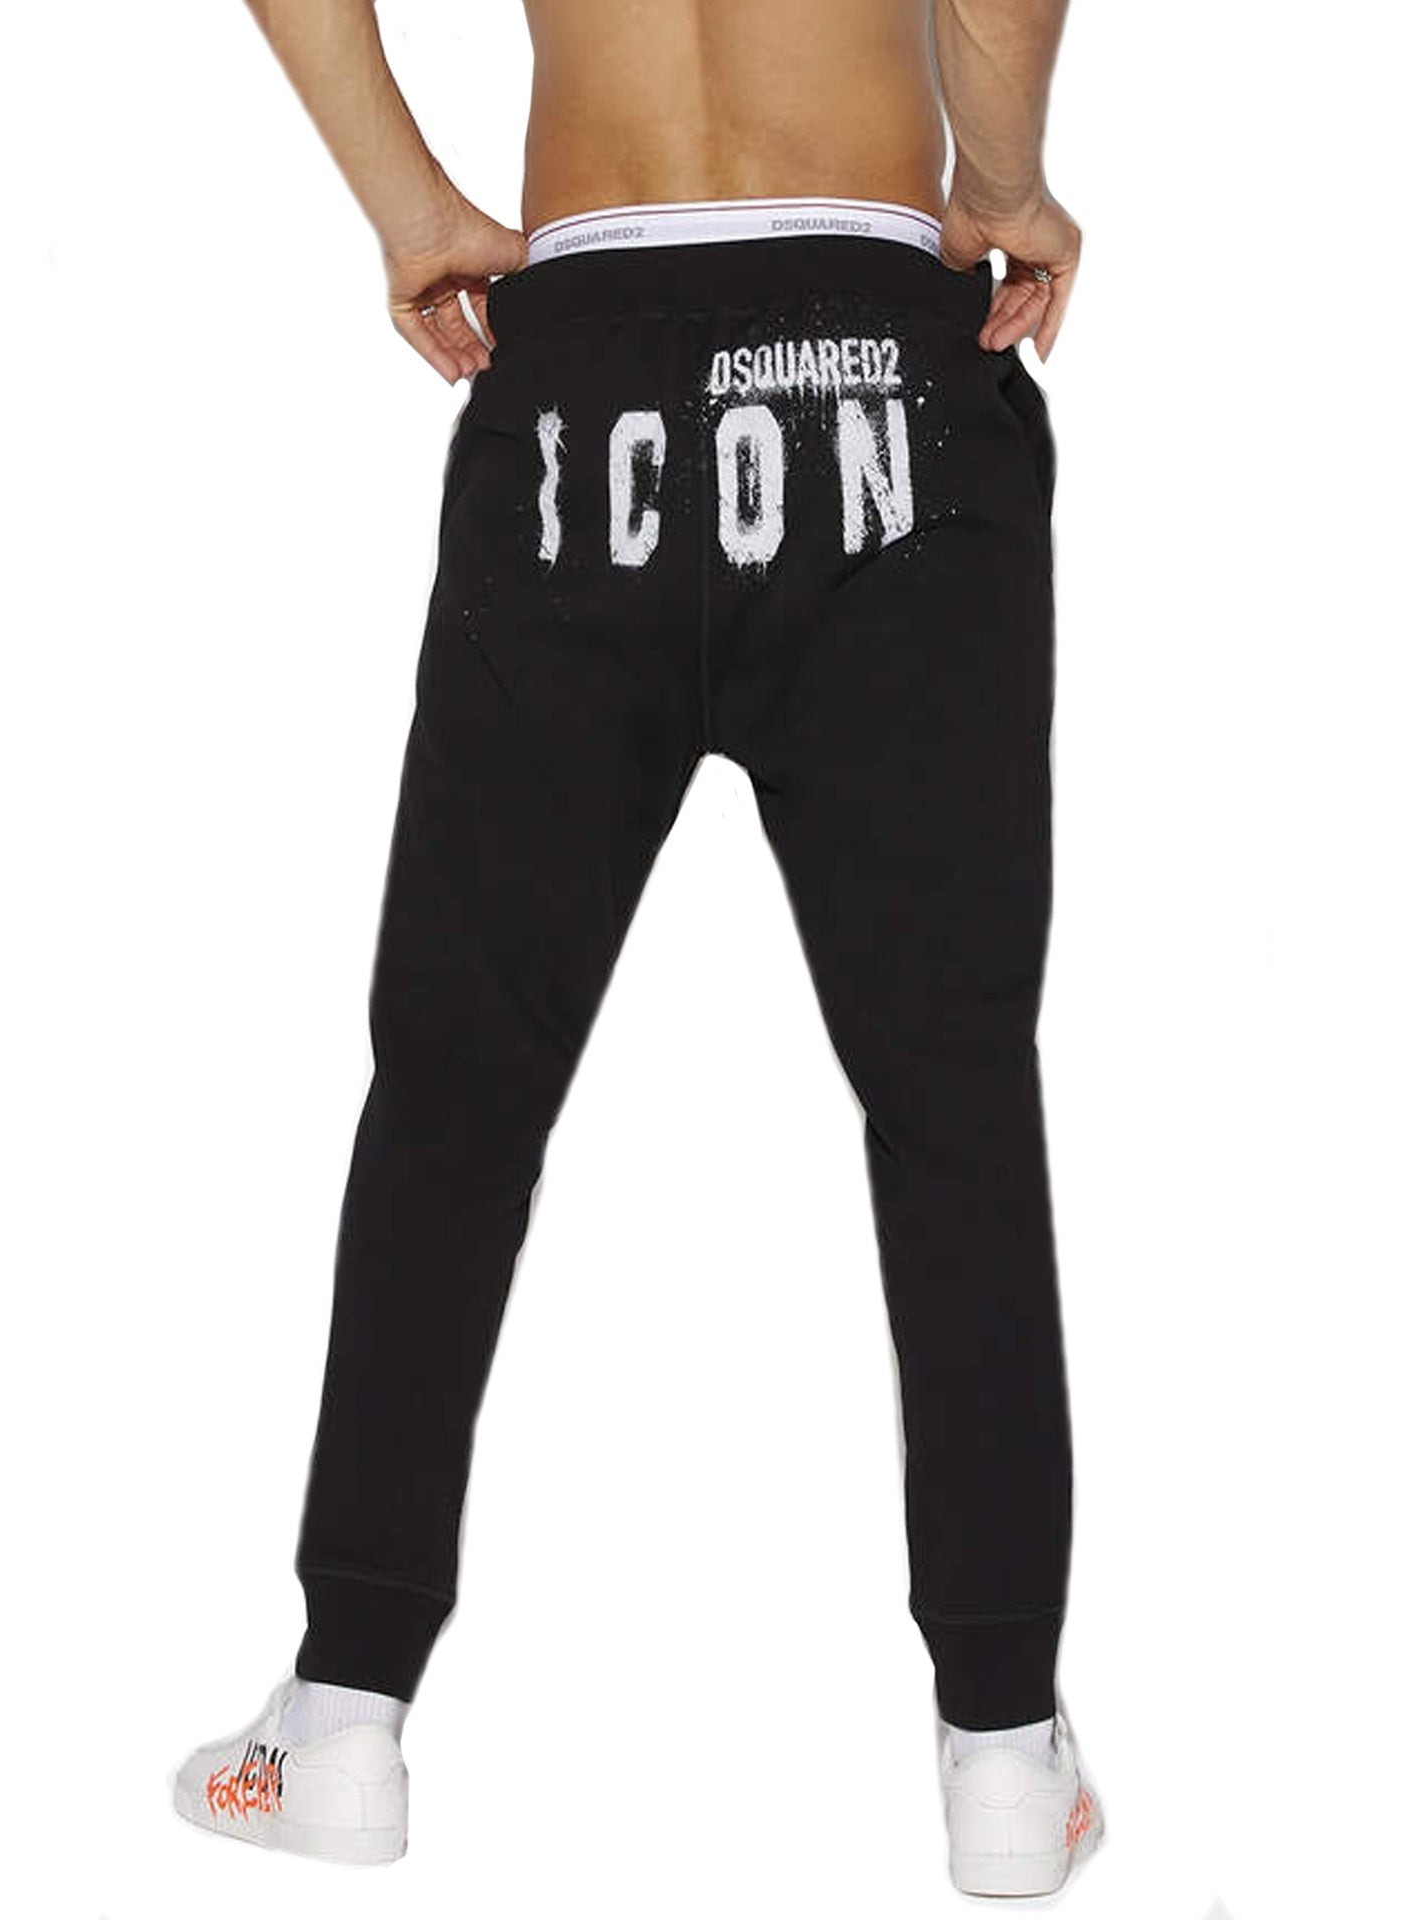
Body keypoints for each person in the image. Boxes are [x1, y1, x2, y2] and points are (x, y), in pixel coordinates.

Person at [172, 0, 1103, 1896]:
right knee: (949, 1095)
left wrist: (409, 203)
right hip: (886, 374)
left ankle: (343, 1718)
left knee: (457, 1087)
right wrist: (1002, 182)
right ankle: (1007, 1753)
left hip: (580, 363)